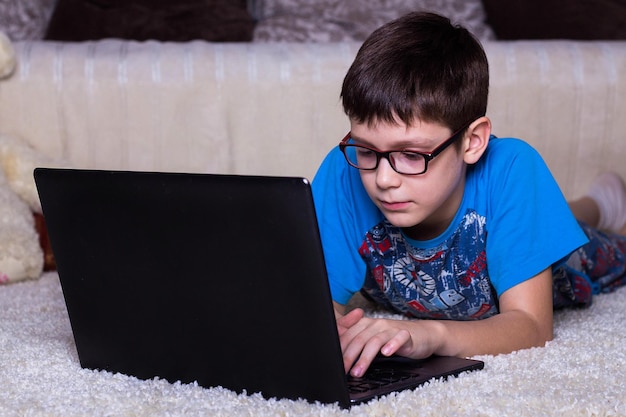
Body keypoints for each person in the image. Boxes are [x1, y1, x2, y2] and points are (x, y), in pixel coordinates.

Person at [311, 11, 626, 379]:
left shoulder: (513, 168)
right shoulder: (344, 169)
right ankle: (598, 202)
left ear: (472, 142)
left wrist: (432, 335)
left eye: (412, 155)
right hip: (510, 216)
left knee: (593, 242)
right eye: (367, 151)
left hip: (569, 253)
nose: (383, 179)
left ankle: (604, 206)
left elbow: (532, 326)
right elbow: (315, 306)